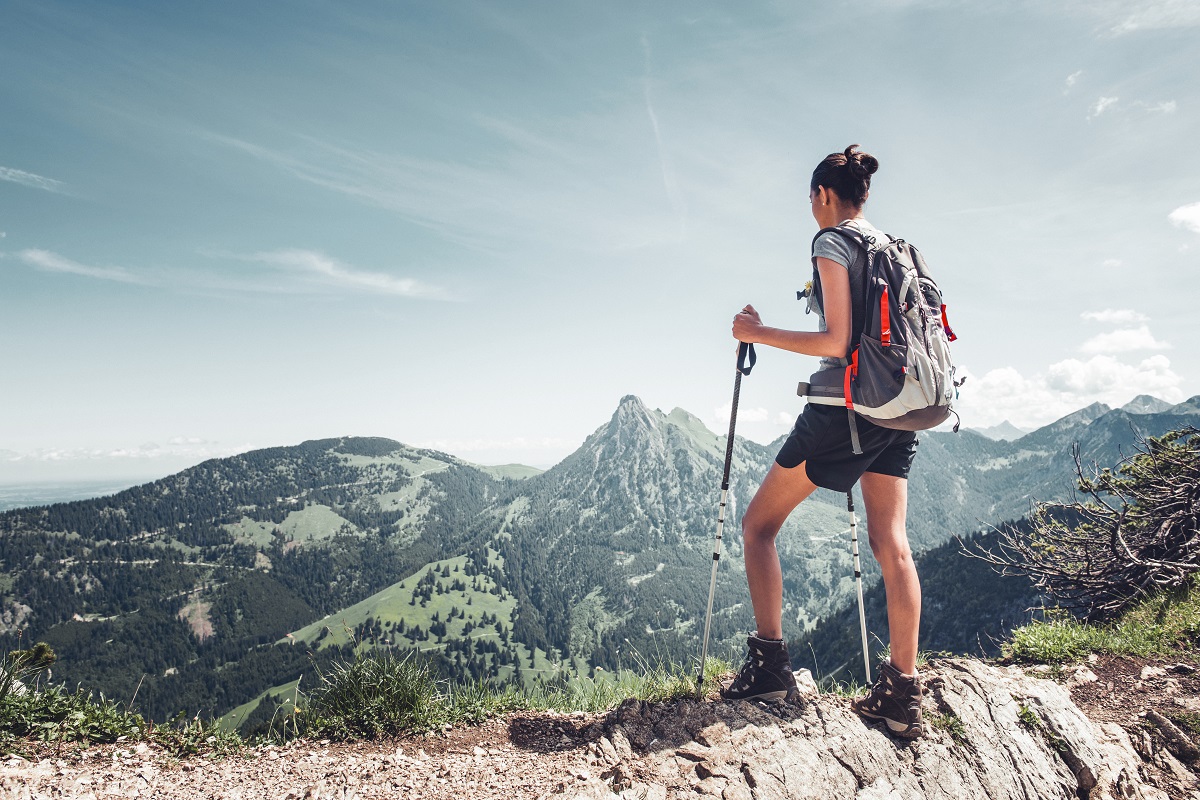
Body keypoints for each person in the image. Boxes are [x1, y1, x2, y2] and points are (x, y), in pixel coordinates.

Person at [723, 144, 924, 739]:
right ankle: (900, 695)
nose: (811, 207)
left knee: (757, 527)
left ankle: (769, 667)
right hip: (900, 409)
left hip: (843, 414)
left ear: (823, 196)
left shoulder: (832, 243)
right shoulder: (895, 247)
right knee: (893, 543)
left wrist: (755, 332)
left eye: (811, 197)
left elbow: (837, 342)